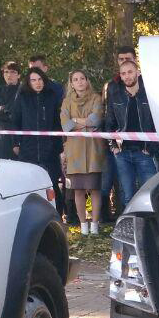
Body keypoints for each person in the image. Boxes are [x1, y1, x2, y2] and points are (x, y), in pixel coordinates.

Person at [11, 66, 66, 218]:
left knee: (53, 184)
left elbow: (57, 122)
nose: (37, 83)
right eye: (33, 80)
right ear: (28, 82)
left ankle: (57, 216)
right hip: (28, 150)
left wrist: (58, 146)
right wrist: (16, 143)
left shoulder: (51, 96)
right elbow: (15, 121)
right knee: (29, 187)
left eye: (40, 79)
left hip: (49, 149)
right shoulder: (22, 97)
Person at [104, 58, 158, 206]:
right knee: (128, 196)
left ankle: (151, 228)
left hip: (145, 152)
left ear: (138, 73)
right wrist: (113, 147)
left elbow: (157, 125)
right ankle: (130, 228)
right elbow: (109, 123)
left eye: (130, 72)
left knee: (150, 195)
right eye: (123, 73)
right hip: (123, 153)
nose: (127, 76)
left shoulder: (149, 95)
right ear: (120, 76)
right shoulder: (116, 97)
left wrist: (150, 149)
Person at [60, 68, 106, 236]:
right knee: (78, 190)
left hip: (94, 149)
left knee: (94, 189)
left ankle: (94, 225)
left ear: (87, 81)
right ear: (71, 84)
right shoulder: (66, 102)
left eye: (82, 78)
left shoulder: (96, 98)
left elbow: (96, 121)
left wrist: (75, 121)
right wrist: (83, 123)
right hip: (74, 152)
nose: (79, 82)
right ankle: (83, 226)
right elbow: (65, 126)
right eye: (76, 79)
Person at [98, 46, 138, 223]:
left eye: (127, 59)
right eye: (120, 59)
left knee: (146, 186)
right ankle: (124, 222)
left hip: (146, 148)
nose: (123, 62)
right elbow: (108, 115)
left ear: (135, 61)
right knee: (123, 188)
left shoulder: (146, 84)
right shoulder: (111, 86)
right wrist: (112, 144)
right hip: (120, 147)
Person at [0, 61, 21, 151]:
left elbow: (19, 111)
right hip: (1, 136)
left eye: (13, 72)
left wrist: (1, 108)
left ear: (18, 75)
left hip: (20, 136)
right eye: (6, 72)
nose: (9, 75)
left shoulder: (23, 90)